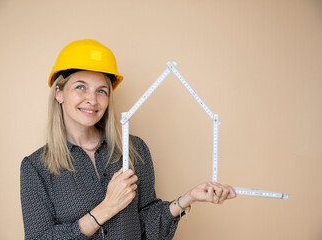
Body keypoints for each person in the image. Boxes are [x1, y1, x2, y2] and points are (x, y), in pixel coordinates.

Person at [20, 39, 237, 240]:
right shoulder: (35, 168)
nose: (92, 100)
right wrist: (106, 208)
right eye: (80, 87)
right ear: (59, 93)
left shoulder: (134, 150)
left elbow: (148, 228)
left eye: (102, 91)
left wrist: (188, 198)